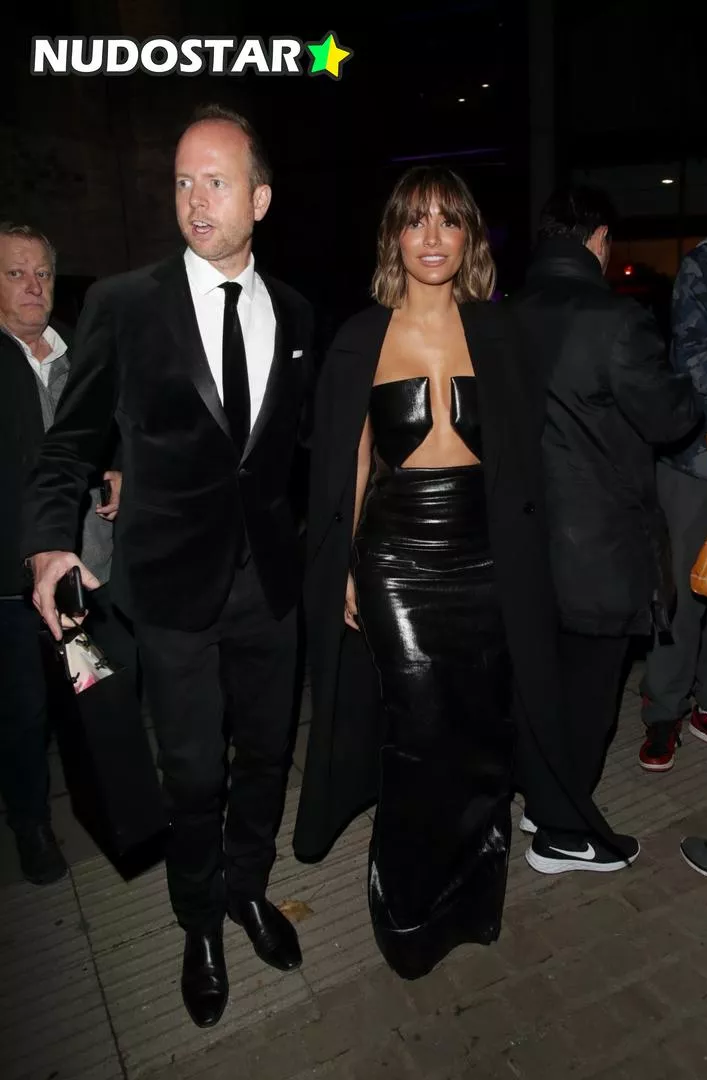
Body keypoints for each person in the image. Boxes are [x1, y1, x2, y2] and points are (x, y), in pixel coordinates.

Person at [293, 165, 626, 981]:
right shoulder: (361, 336)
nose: (433, 237)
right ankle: (409, 909)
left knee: (479, 733)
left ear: (469, 235)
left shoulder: (499, 332)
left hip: (487, 557)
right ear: (394, 238)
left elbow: (529, 462)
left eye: (449, 220)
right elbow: (350, 465)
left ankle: (473, 898)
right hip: (397, 559)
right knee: (417, 734)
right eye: (416, 221)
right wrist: (345, 570)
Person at [22, 105, 314, 1028]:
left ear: (259, 199)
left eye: (217, 182)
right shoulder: (125, 303)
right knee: (192, 774)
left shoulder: (296, 312)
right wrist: (51, 539)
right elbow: (70, 441)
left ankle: (248, 888)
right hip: (173, 591)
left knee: (266, 755)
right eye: (184, 182)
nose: (196, 200)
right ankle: (199, 924)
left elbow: (291, 453)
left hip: (270, 586)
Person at [510, 186, 699, 874]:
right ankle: (562, 835)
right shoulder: (615, 321)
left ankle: (541, 803)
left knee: (542, 689)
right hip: (599, 547)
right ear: (597, 240)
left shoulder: (503, 315)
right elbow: (669, 417)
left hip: (524, 543)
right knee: (589, 697)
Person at [0, 221, 124, 886]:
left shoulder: (81, 350)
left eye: (42, 273)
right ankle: (30, 822)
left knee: (99, 693)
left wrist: (120, 465)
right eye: (15, 273)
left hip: (94, 568)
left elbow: (119, 422)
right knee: (23, 712)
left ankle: (112, 803)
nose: (32, 286)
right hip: (14, 581)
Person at [639, 229, 707, 772]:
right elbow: (696, 358)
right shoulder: (704, 266)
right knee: (681, 596)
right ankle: (664, 710)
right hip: (696, 461)